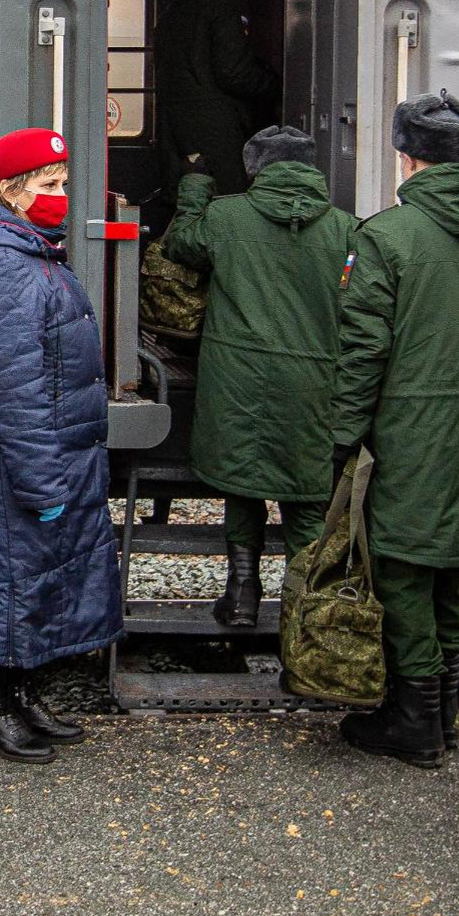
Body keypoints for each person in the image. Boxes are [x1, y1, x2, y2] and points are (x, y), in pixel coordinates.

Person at [325, 92, 459, 767]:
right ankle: (446, 715)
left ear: (407, 157)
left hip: (412, 431)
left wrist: (341, 439)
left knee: (405, 568)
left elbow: (363, 357)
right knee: (458, 568)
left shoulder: (386, 238)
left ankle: (414, 719)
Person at [0, 127, 126, 763]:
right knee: (6, 583)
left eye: (63, 184)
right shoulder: (3, 266)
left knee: (28, 580)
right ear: (14, 192)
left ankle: (19, 699)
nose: (61, 196)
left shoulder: (26, 254)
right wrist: (41, 482)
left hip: (32, 455)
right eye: (50, 186)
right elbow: (15, 390)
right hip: (10, 462)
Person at [156, 124, 352, 629]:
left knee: (242, 482)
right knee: (306, 494)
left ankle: (242, 594)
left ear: (255, 170)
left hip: (237, 380)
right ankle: (303, 618)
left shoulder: (226, 217)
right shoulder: (346, 229)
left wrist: (196, 183)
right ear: (310, 169)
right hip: (313, 382)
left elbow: (179, 245)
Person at [156, 0, 278, 198]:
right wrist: (275, 85)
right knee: (226, 199)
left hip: (177, 122)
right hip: (216, 125)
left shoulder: (177, 4)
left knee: (190, 195)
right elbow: (234, 72)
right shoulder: (224, 3)